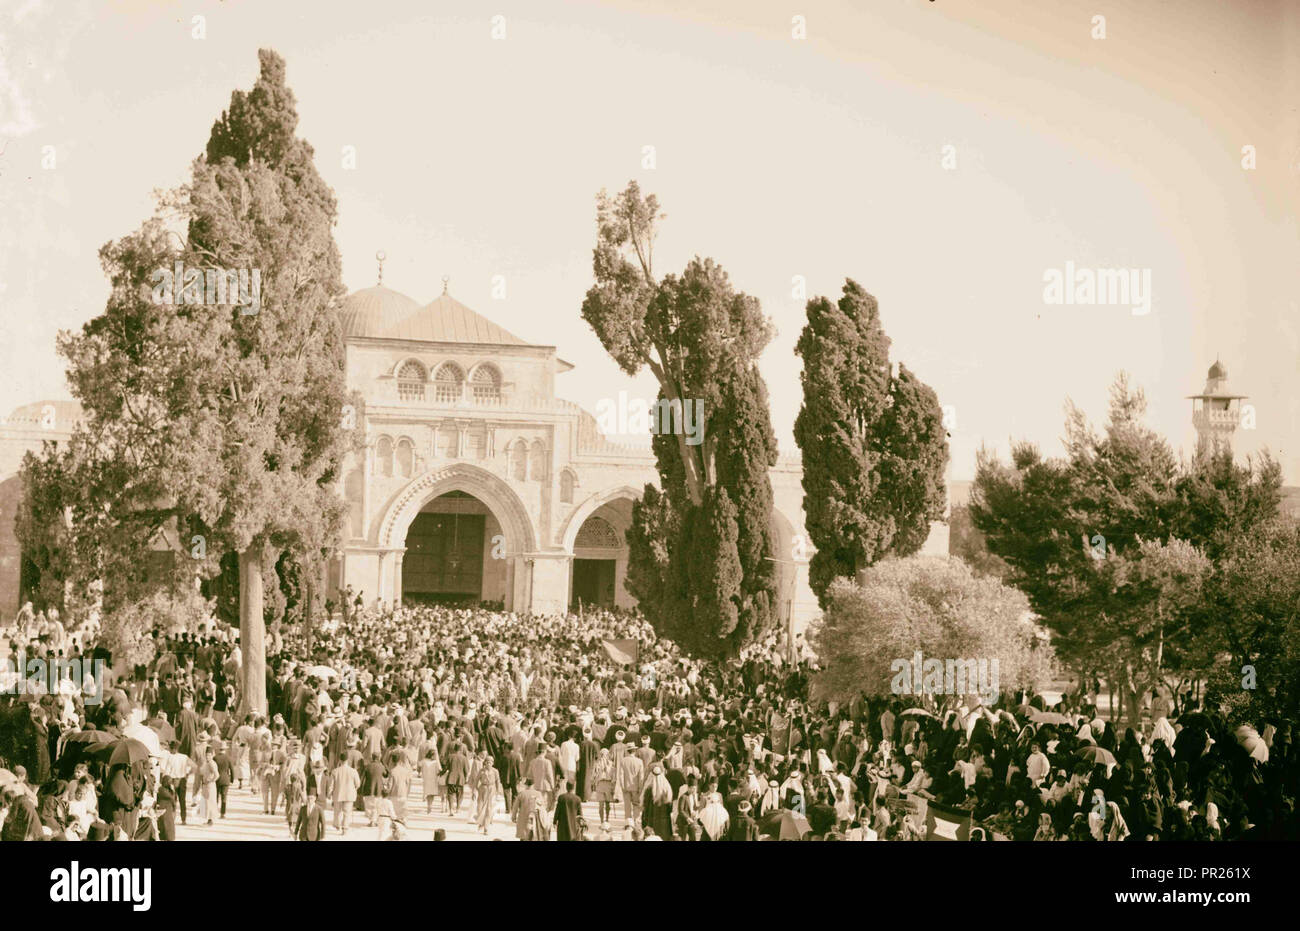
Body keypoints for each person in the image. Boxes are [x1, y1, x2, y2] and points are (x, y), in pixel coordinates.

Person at [330, 757, 361, 835]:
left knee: (337, 811)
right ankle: (345, 828)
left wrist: (329, 793)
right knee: (347, 812)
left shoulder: (335, 771)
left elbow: (331, 785)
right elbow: (358, 784)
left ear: (340, 760)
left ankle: (337, 825)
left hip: (338, 794)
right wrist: (354, 789)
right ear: (347, 760)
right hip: (349, 794)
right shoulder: (353, 771)